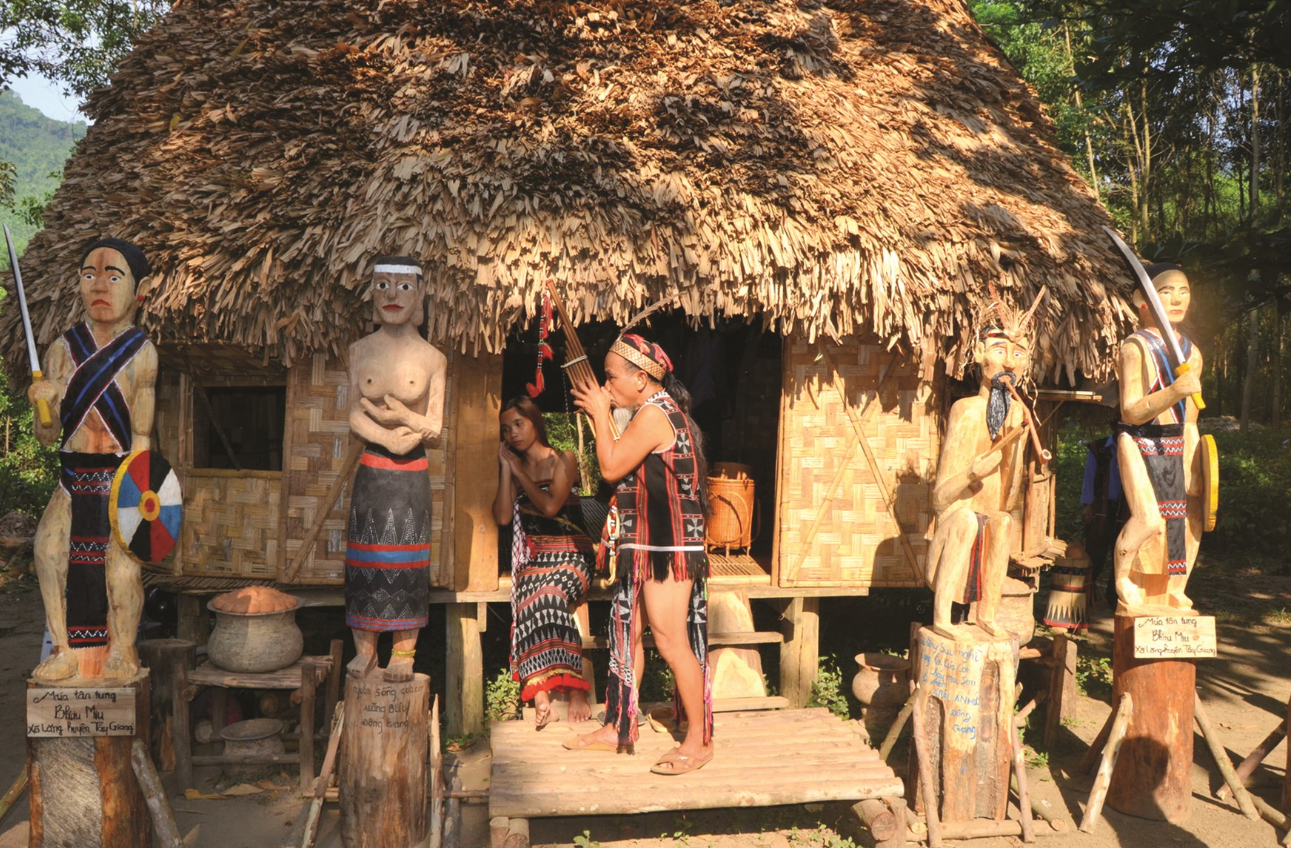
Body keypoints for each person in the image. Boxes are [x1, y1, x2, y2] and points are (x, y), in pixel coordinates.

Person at [567, 333, 714, 775]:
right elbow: (622, 458)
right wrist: (604, 413)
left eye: (611, 377)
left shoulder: (654, 414)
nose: (606, 385)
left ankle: (699, 740)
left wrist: (599, 412)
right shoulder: (654, 411)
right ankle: (618, 725)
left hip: (666, 547)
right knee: (627, 635)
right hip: (651, 543)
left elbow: (611, 466)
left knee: (670, 641)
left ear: (640, 378)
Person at [28, 238, 158, 681]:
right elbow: (47, 435)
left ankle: (122, 649)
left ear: (140, 292)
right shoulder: (61, 350)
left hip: (120, 477)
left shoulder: (142, 354)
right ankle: (64, 651)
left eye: (113, 276)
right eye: (89, 275)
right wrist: (44, 406)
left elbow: (142, 434)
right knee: (48, 551)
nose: (99, 285)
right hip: (71, 478)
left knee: (121, 572)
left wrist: (138, 496)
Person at [344, 256, 446, 681]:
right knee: (365, 559)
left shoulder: (433, 359)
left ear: (420, 295)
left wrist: (405, 419)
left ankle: (404, 654)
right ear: (372, 293)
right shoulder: (360, 350)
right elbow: (355, 414)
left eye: (403, 287)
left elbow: (435, 426)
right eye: (383, 284)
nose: (391, 295)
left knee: (407, 561)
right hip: (372, 470)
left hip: (411, 478)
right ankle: (365, 651)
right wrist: (387, 438)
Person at [925, 290, 1041, 638]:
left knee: (1003, 521)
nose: (1009, 363)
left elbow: (1008, 500)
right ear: (979, 353)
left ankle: (987, 615)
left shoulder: (1016, 415)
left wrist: (1016, 445)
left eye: (1018, 353)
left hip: (985, 532)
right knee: (965, 517)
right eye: (1000, 350)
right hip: (952, 538)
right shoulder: (966, 411)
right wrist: (970, 474)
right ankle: (943, 616)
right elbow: (940, 500)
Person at [491, 396, 594, 728]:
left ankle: (575, 688)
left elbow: (550, 507)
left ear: (535, 422)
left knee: (548, 595)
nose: (513, 433)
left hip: (572, 554)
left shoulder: (563, 459)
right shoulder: (514, 468)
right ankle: (540, 693)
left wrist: (519, 472)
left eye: (518, 424)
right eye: (506, 429)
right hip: (536, 558)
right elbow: (503, 517)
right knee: (527, 596)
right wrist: (507, 469)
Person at [1113, 263, 1203, 613]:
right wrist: (1175, 391)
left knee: (1188, 518)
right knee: (1149, 518)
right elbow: (1131, 410)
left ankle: (1175, 587)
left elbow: (1190, 418)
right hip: (1138, 439)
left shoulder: (1192, 353)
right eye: (1166, 291)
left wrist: (1193, 460)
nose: (1177, 299)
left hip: (1177, 440)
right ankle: (1123, 577)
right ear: (1142, 299)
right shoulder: (1135, 347)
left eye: (1184, 291)